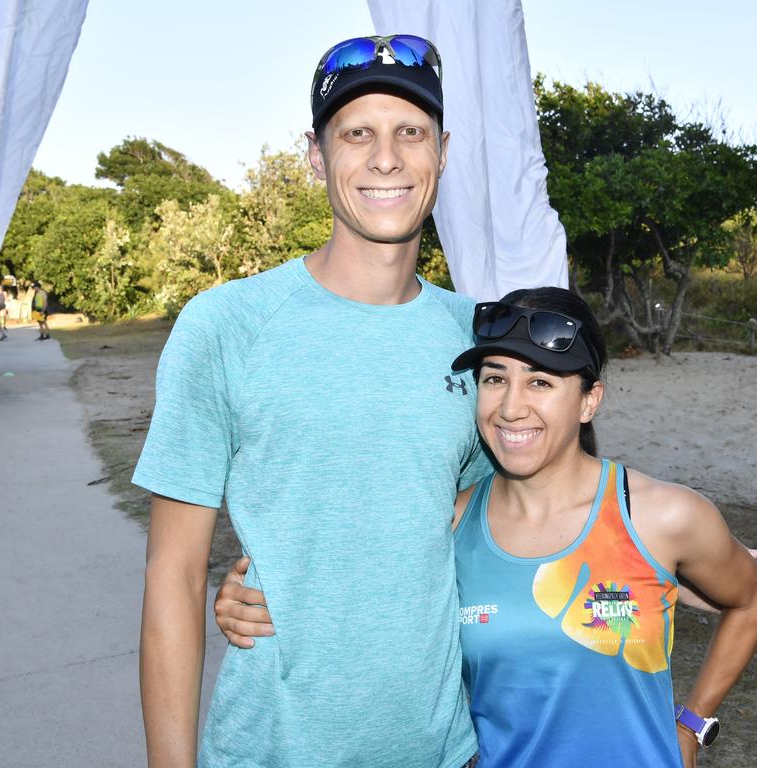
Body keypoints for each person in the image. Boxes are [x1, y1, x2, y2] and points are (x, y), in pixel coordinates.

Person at [218, 288, 757, 768]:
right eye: (494, 378)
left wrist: (691, 725)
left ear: (589, 400)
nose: (511, 408)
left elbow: (752, 600)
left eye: (541, 383)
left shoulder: (660, 515)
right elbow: (349, 581)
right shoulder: (449, 523)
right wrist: (246, 593)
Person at [134, 34, 487, 768]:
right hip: (270, 748)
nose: (385, 158)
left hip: (443, 751)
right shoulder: (226, 327)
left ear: (443, 151)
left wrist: (674, 555)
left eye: (410, 132)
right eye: (357, 133)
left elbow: (509, 515)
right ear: (317, 156)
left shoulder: (479, 337)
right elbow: (171, 573)